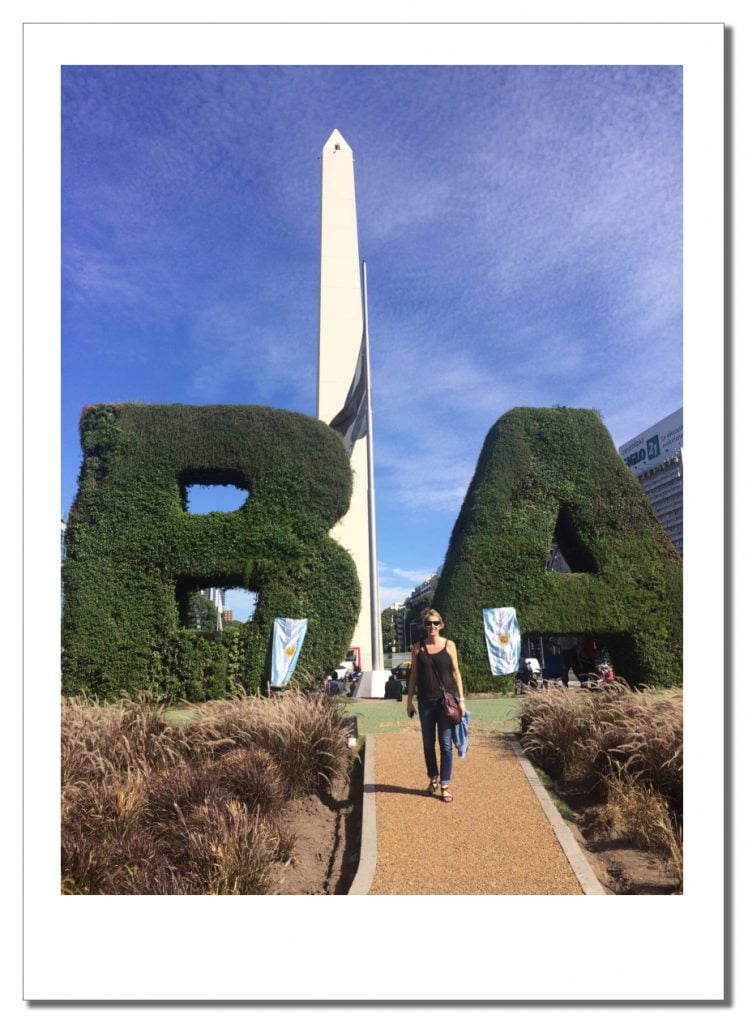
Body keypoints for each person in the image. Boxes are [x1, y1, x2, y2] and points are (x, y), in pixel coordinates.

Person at [406, 608, 466, 804]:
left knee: (446, 745)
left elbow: (456, 673)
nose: (432, 626)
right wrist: (409, 701)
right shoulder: (417, 647)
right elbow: (414, 675)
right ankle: (433, 778)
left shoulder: (449, 645)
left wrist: (462, 699)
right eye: (429, 623)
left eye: (435, 623)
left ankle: (445, 785)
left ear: (441, 625)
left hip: (445, 702)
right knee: (427, 744)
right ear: (424, 626)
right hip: (425, 702)